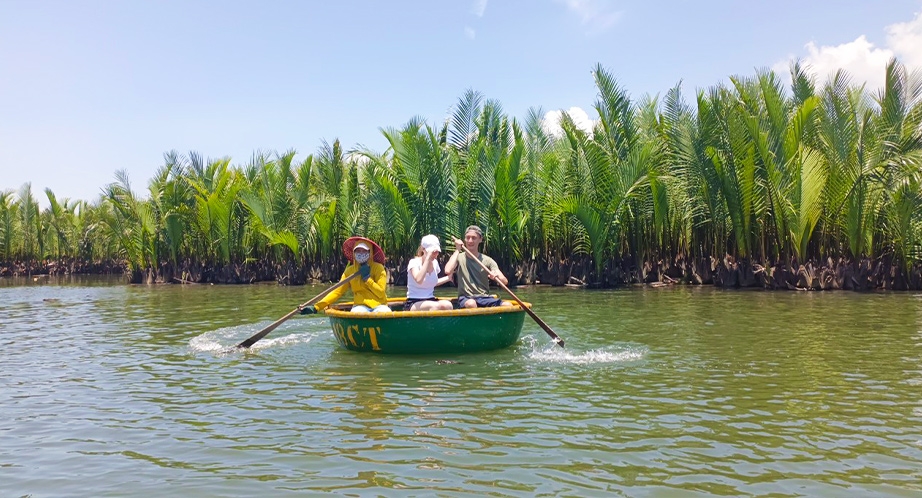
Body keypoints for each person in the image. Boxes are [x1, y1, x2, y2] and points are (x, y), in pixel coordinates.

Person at [299, 236, 390, 314]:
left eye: (364, 251)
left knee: (385, 312)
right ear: (354, 254)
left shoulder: (378, 268)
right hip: (360, 306)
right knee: (358, 313)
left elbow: (381, 292)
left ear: (370, 253)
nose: (361, 254)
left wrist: (367, 279)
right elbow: (337, 292)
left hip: (379, 304)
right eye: (358, 251)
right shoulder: (350, 271)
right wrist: (316, 308)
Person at [443, 225, 513, 308]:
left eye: (474, 238)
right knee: (471, 303)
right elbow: (447, 270)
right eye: (467, 237)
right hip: (466, 298)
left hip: (484, 297)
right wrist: (457, 250)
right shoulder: (458, 257)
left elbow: (505, 281)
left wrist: (496, 276)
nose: (470, 241)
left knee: (508, 305)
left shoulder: (488, 260)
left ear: (480, 239)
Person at [404, 234, 454, 311]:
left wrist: (448, 278)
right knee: (434, 306)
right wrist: (427, 259)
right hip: (414, 301)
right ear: (423, 249)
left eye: (437, 252)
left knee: (448, 305)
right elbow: (419, 280)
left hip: (431, 299)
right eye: (433, 252)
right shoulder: (414, 262)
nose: (435, 254)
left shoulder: (435, 263)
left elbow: (431, 282)